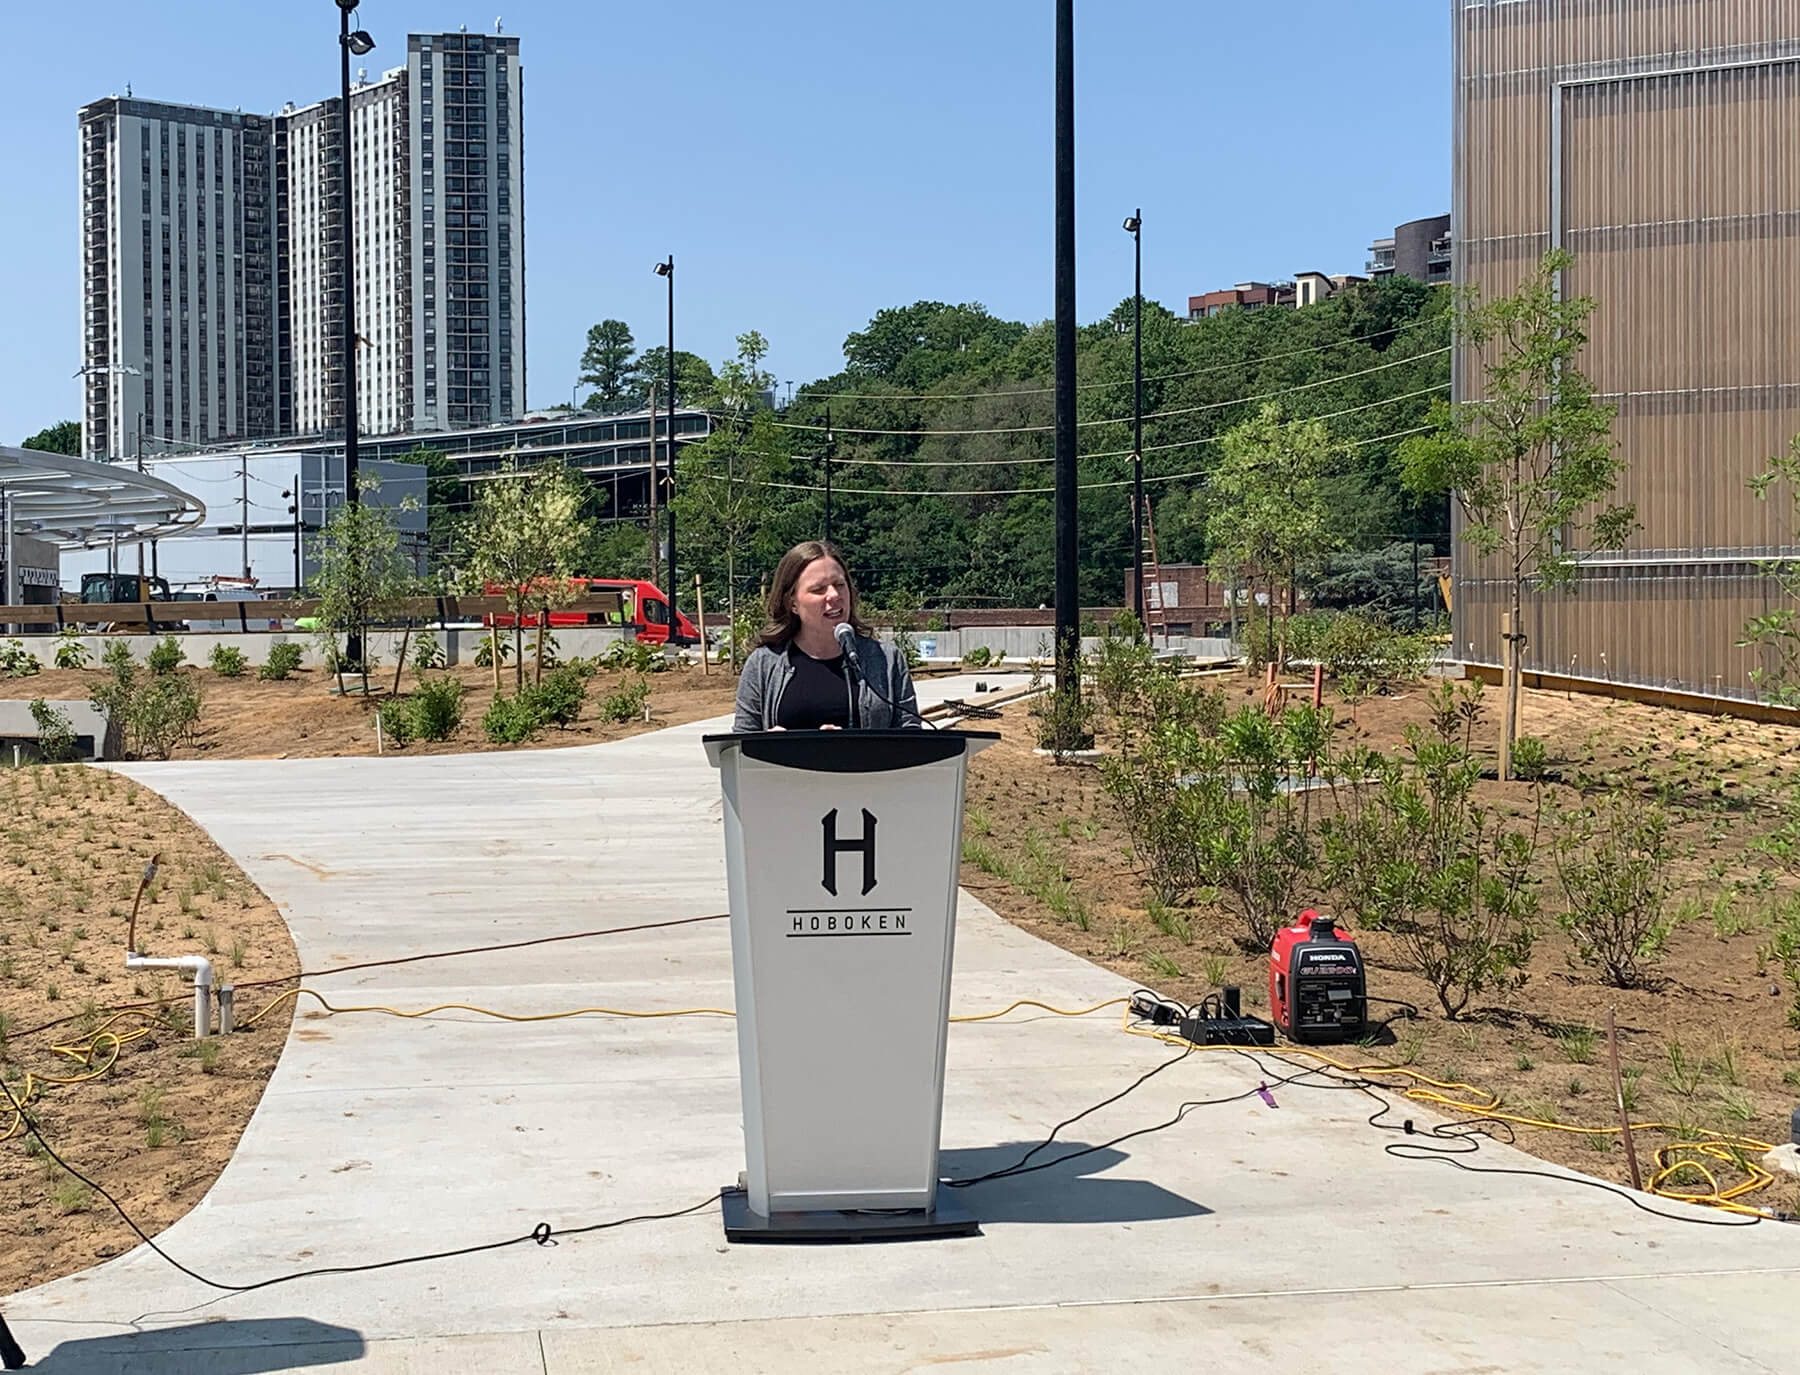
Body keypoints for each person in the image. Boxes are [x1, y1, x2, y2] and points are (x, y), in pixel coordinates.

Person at [733, 540, 922, 731]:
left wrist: (843, 747)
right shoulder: (763, 664)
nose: (833, 595)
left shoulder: (887, 660)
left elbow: (911, 739)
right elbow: (738, 748)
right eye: (818, 589)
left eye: (839, 584)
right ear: (792, 603)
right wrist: (767, 746)